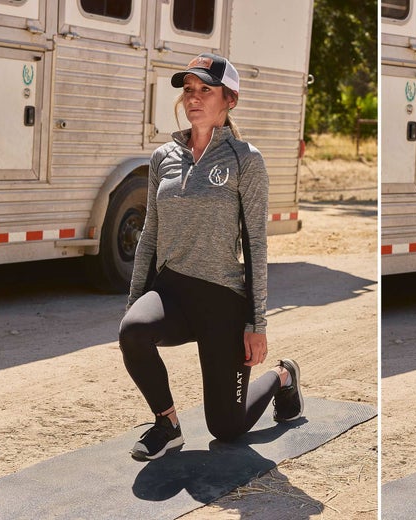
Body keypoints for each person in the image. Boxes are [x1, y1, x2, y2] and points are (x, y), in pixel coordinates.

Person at [119, 53, 303, 461]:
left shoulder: (246, 160)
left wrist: (257, 323)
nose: (194, 98)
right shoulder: (162, 157)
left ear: (230, 99)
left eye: (206, 90)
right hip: (172, 291)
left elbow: (255, 243)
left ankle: (284, 376)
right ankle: (167, 425)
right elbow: (150, 233)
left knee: (227, 428)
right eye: (188, 90)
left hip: (222, 300)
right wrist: (136, 301)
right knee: (132, 331)